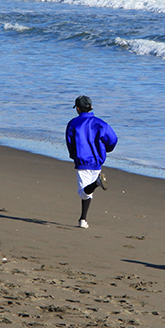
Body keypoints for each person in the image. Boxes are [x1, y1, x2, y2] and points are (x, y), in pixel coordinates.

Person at [65, 95, 118, 229]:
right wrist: (107, 149)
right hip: (97, 160)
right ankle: (83, 219)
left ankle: (97, 183)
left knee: (83, 192)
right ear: (91, 107)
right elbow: (113, 139)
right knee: (88, 193)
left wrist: (73, 155)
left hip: (83, 161)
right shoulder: (100, 123)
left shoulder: (73, 123)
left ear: (78, 108)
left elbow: (70, 142)